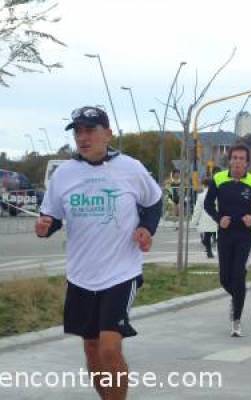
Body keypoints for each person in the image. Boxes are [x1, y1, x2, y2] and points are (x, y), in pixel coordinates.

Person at [35, 106, 162, 400]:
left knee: (109, 347)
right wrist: (45, 226)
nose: (83, 137)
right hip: (81, 276)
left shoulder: (131, 168)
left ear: (108, 134)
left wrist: (146, 228)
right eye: (78, 131)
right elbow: (51, 217)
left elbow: (154, 202)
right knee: (91, 349)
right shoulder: (64, 174)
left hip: (121, 272)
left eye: (90, 130)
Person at [204, 144, 251, 337]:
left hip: (245, 235)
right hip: (225, 233)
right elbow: (208, 204)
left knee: (238, 274)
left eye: (242, 159)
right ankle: (237, 298)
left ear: (247, 163)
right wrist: (218, 218)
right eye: (235, 158)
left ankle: (236, 320)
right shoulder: (219, 179)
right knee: (225, 278)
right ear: (229, 160)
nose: (238, 162)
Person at [191, 177, 218, 258]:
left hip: (205, 218)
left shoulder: (201, 196)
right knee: (218, 236)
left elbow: (197, 210)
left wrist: (194, 222)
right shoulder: (217, 195)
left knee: (207, 236)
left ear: (203, 185)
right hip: (216, 217)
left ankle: (209, 252)